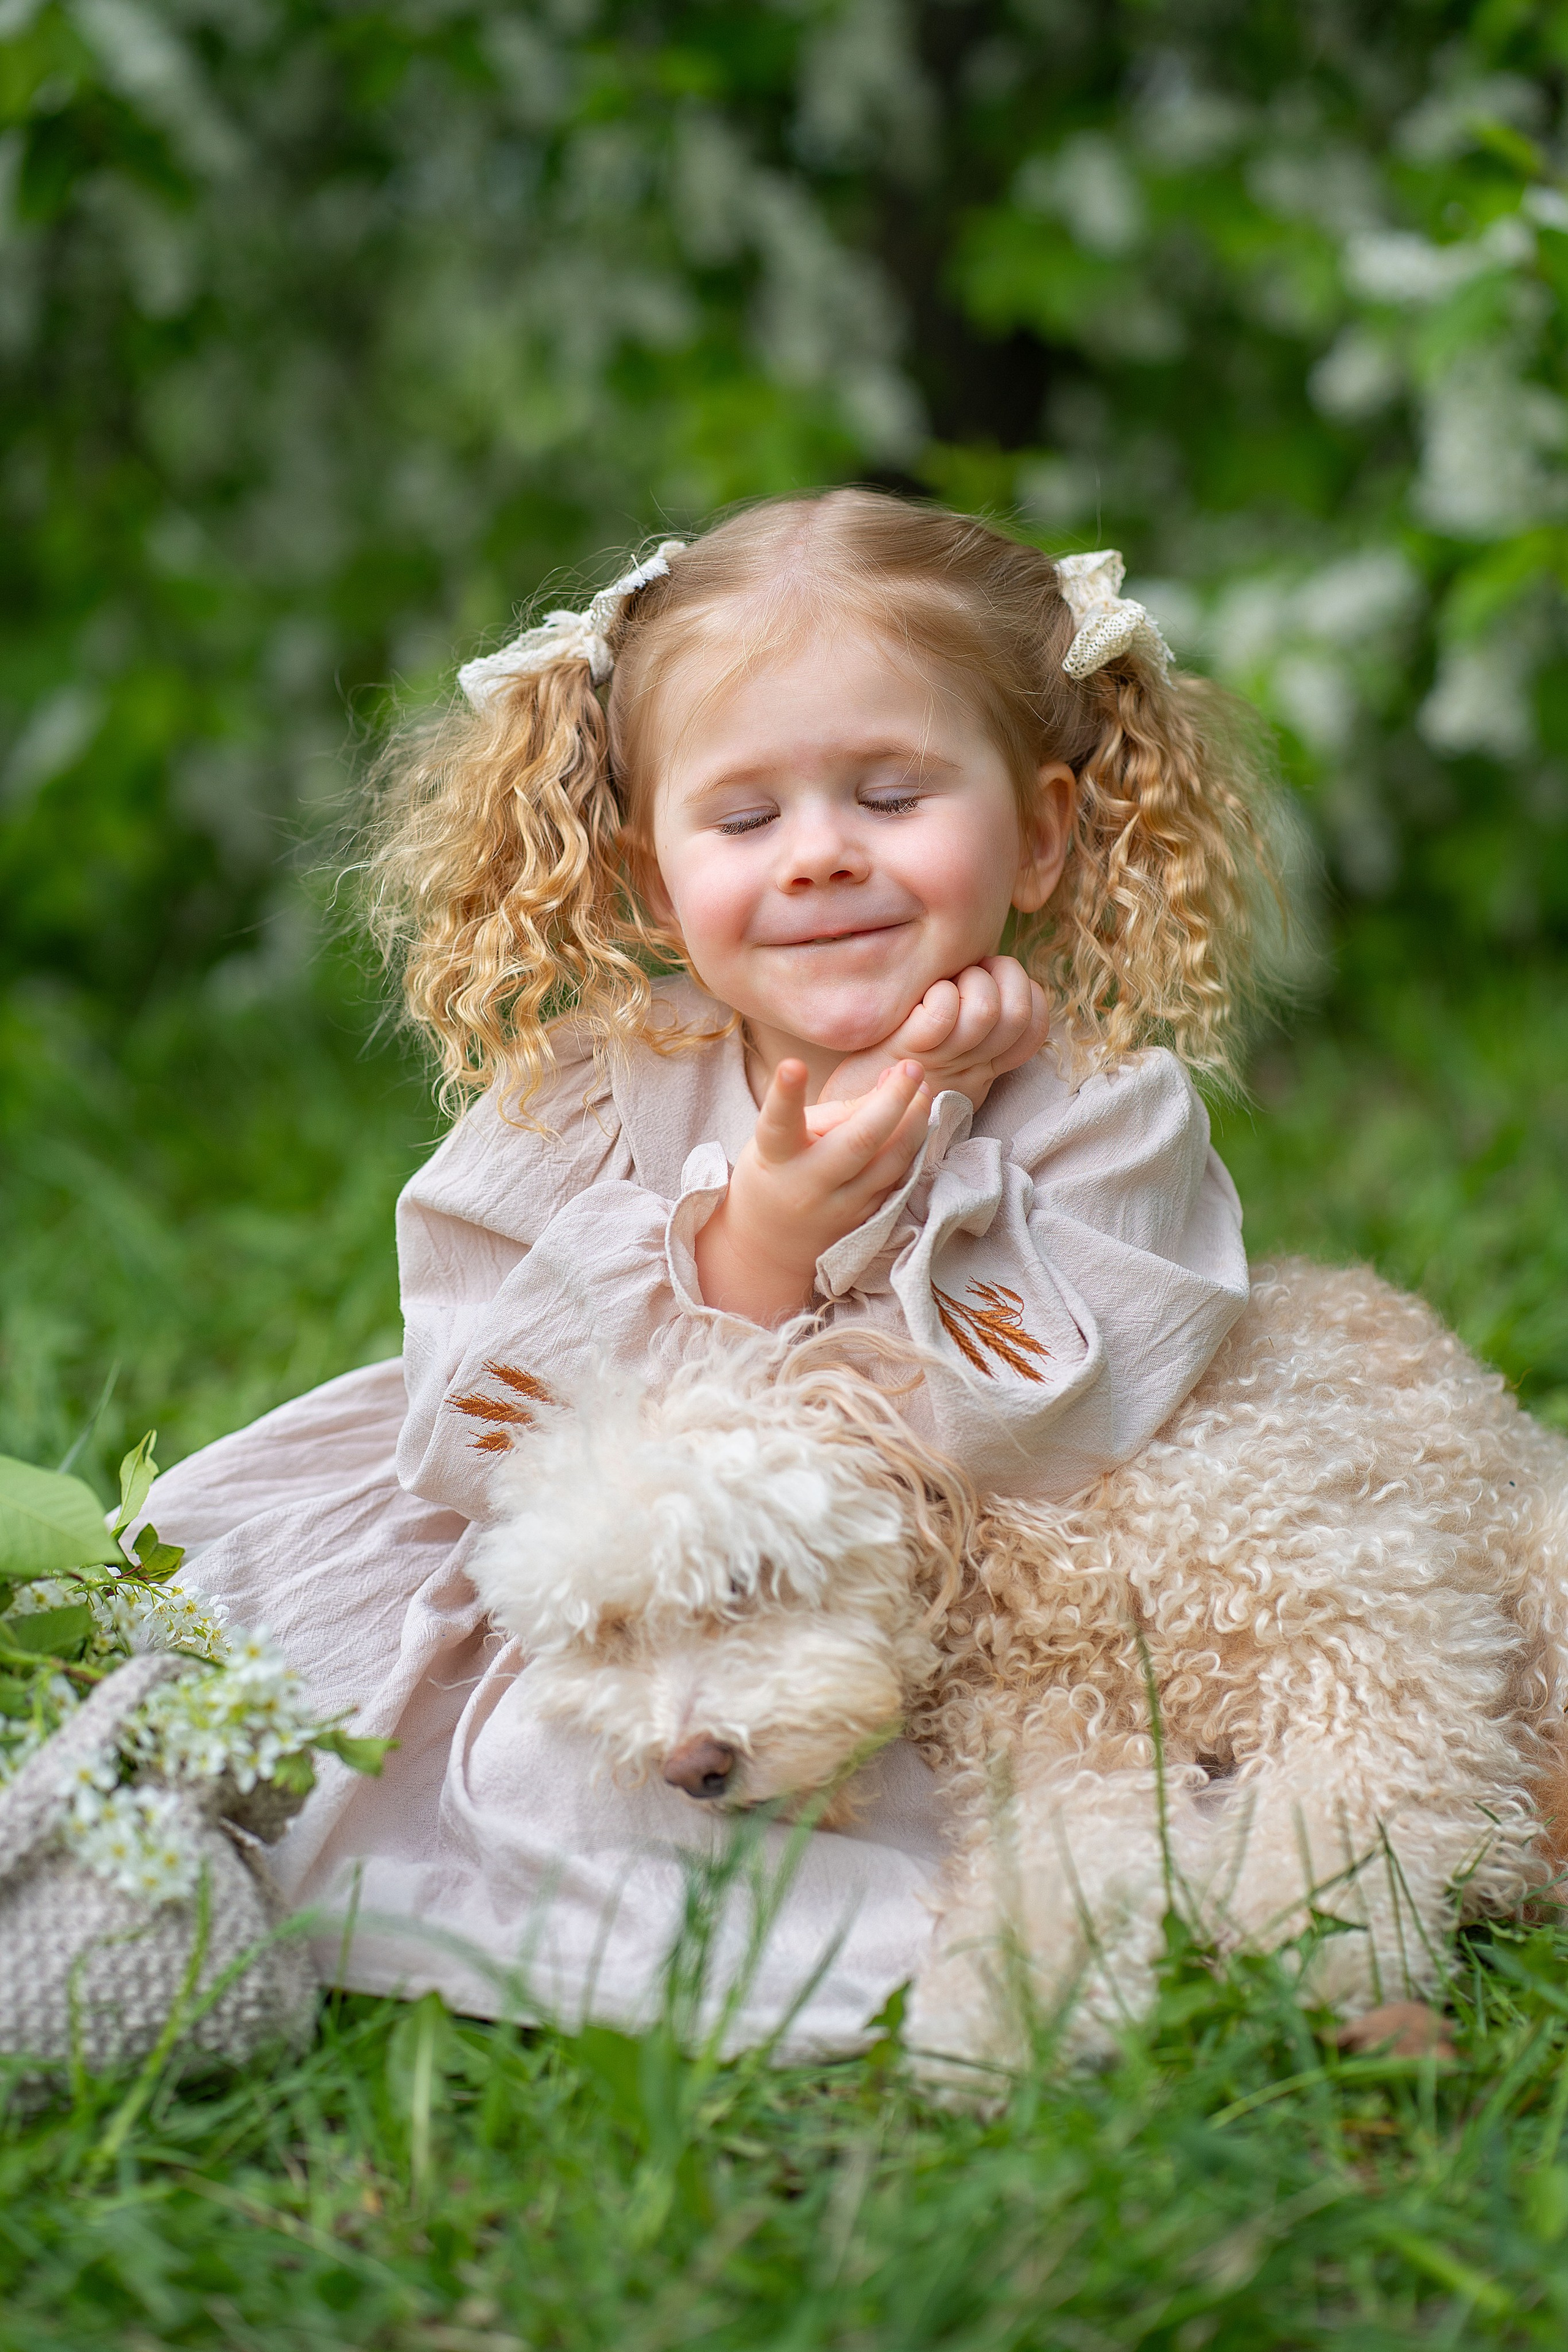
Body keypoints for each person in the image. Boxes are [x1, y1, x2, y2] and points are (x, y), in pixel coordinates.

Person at [143, 491, 1275, 2052]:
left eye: (890, 794)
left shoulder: (1098, 1107)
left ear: (1042, 832)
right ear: (653, 874)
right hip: (644, 1626)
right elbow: (479, 1434)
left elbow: (1065, 1435)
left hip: (936, 1621)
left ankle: (931, 1949)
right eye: (745, 820)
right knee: (483, 1732)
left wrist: (944, 1185)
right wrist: (759, 1238)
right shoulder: (596, 1086)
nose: (818, 857)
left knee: (1087, 1777)